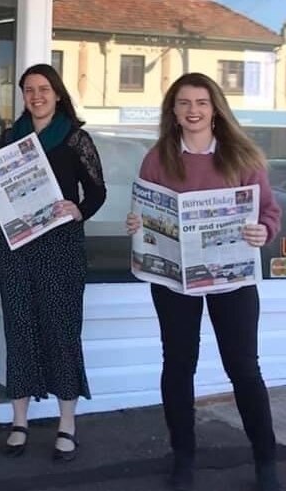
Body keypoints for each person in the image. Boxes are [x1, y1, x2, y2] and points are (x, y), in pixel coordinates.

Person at [126, 72, 282, 491]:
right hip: (174, 281)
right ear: (173, 112)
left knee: (244, 370)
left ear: (215, 109)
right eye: (183, 103)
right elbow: (142, 209)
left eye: (200, 102)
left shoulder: (242, 156)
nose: (192, 111)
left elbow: (268, 212)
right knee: (178, 367)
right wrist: (138, 223)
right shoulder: (158, 157)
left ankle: (266, 459)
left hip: (233, 281)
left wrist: (262, 233)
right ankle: (183, 458)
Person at [0, 63, 107, 461]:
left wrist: (79, 210)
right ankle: (19, 420)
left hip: (61, 247)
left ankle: (67, 423)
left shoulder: (76, 138)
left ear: (58, 93)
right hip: (18, 248)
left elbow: (97, 192)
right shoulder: (11, 138)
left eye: (43, 88)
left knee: (61, 330)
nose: (36, 96)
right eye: (29, 89)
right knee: (20, 328)